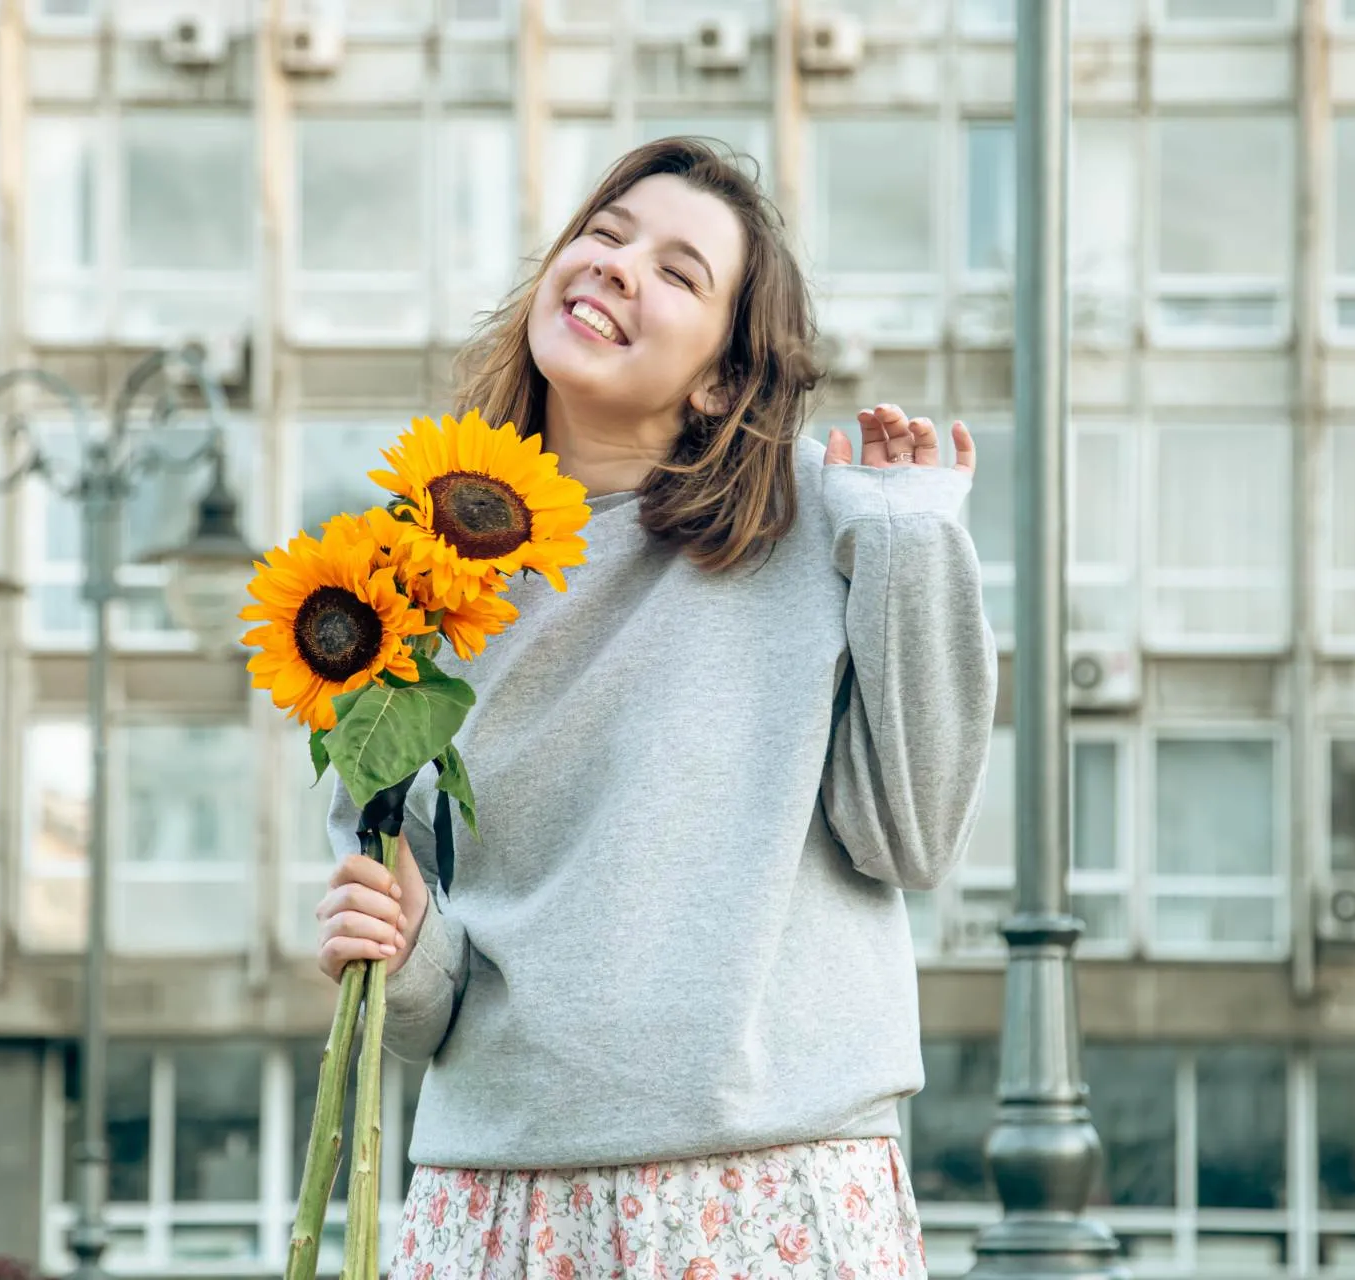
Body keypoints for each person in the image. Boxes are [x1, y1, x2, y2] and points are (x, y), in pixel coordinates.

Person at [314, 137, 996, 1278]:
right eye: (607, 234)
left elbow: (914, 835)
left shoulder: (827, 518)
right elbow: (424, 995)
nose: (619, 267)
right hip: (493, 1198)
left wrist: (914, 544)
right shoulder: (408, 577)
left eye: (681, 273)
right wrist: (392, 940)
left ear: (725, 375)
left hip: (766, 1187)